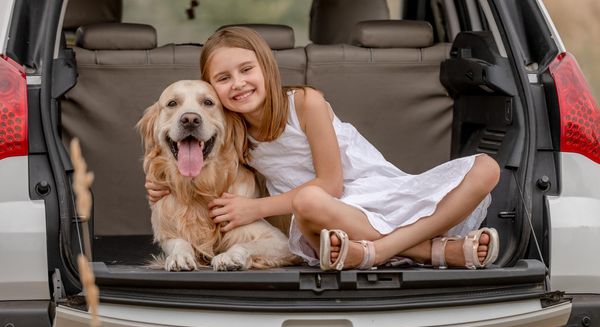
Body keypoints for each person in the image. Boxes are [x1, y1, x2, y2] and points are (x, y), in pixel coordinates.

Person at [146, 26, 501, 270]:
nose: (238, 83)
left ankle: (381, 251)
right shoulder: (230, 131)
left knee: (487, 167)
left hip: (368, 191)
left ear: (267, 68)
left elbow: (332, 183)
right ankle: (433, 251)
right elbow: (196, 164)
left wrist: (256, 209)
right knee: (308, 204)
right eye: (223, 79)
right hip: (321, 220)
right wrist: (160, 183)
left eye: (246, 70)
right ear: (215, 93)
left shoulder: (305, 102)